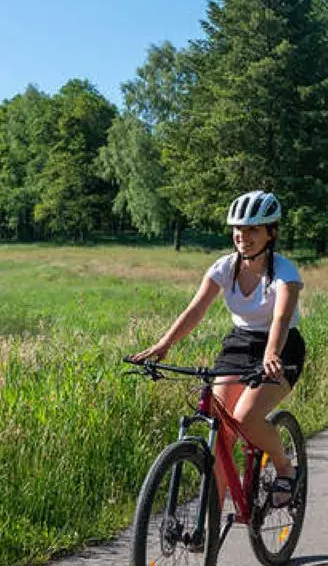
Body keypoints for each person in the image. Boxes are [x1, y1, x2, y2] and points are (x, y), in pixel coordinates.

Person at [129, 190, 306, 509]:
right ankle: (211, 518)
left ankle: (284, 468)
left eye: (253, 229)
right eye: (238, 229)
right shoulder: (225, 267)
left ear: (272, 232)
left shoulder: (285, 273)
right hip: (239, 344)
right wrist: (164, 343)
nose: (243, 236)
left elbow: (280, 317)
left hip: (281, 348)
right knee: (221, 432)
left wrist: (271, 354)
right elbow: (195, 309)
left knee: (246, 418)